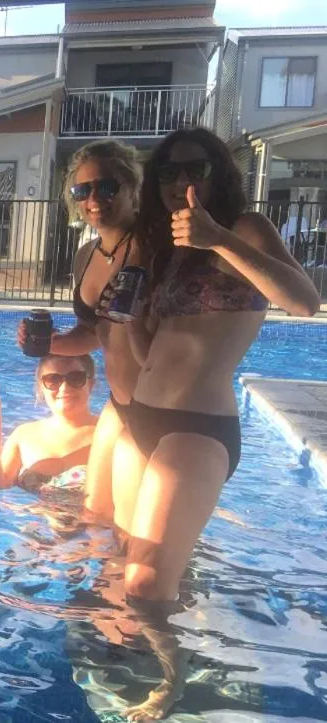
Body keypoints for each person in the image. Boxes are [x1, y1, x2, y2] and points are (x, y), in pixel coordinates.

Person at [113, 127, 318, 610]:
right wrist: (125, 320)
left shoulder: (245, 228)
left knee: (144, 584)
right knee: (131, 558)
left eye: (195, 168)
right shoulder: (170, 248)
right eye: (169, 171)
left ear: (217, 174)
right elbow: (153, 355)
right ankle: (149, 661)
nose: (181, 180)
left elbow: (305, 302)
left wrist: (219, 239)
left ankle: (169, 682)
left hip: (196, 430)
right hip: (140, 419)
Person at [19, 140, 144, 522]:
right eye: (82, 190)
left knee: (135, 536)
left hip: (163, 407)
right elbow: (95, 332)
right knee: (95, 519)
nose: (93, 198)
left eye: (106, 186)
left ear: (132, 185)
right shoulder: (86, 255)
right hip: (120, 404)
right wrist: (54, 342)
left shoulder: (156, 245)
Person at [0, 354, 98, 497]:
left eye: (76, 378)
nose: (64, 388)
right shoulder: (24, 435)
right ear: (41, 387)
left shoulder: (109, 433)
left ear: (91, 384)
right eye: (52, 380)